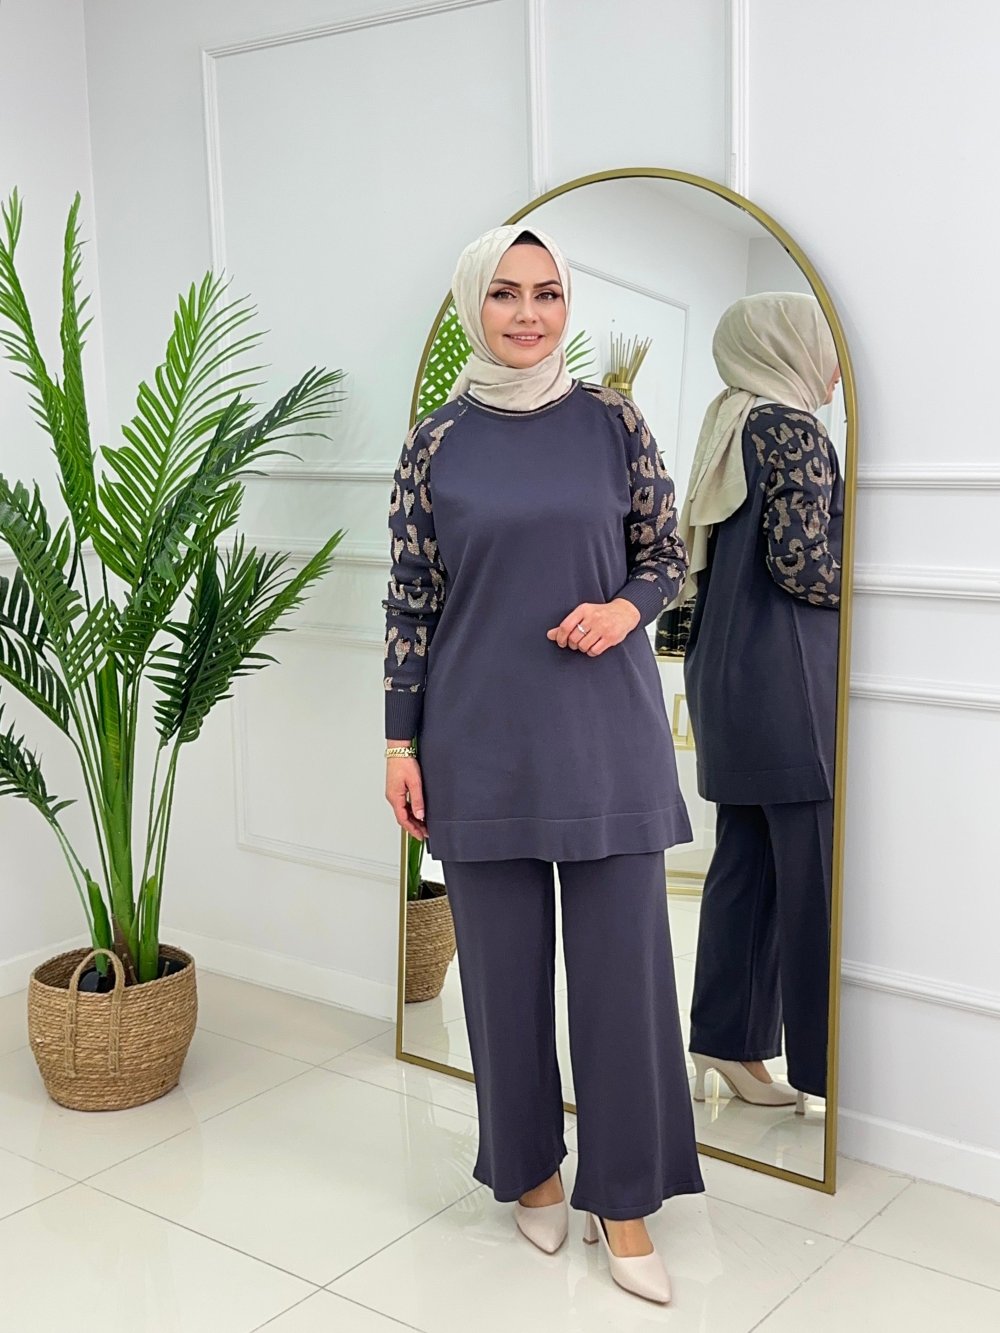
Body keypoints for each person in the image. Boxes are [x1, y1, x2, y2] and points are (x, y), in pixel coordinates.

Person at [382, 224, 703, 1305]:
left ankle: (626, 1198)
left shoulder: (613, 422)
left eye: (548, 293)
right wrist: (398, 743)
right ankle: (529, 1168)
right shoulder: (435, 443)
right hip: (476, 737)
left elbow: (667, 555)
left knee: (623, 977)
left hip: (605, 735)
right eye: (507, 293)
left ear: (568, 304)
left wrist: (623, 610)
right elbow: (411, 602)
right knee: (501, 974)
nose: (529, 314)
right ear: (474, 303)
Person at [679, 292, 843, 1110]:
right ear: (788, 346)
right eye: (827, 346)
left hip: (725, 676)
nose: (837, 368)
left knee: (744, 863)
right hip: (790, 679)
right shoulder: (794, 429)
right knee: (814, 877)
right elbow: (805, 566)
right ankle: (829, 1074)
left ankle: (726, 1041)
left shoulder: (729, 423)